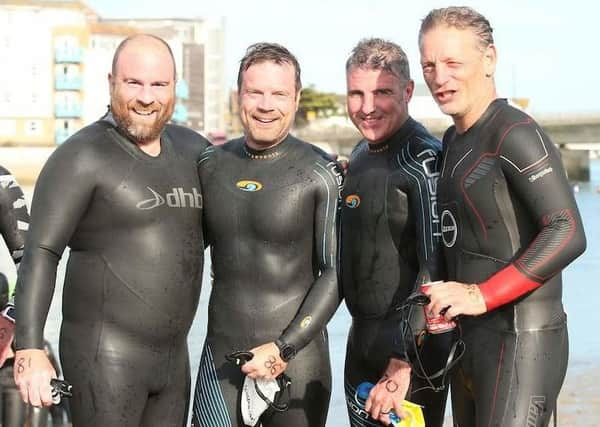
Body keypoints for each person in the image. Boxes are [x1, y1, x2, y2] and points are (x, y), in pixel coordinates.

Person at [14, 34, 209, 427]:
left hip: (174, 362)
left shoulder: (195, 151)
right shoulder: (81, 156)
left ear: (174, 87)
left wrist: (326, 169)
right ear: (111, 82)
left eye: (159, 85)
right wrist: (30, 347)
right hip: (103, 360)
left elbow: (251, 193)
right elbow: (41, 253)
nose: (147, 97)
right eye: (133, 83)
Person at [418, 7, 586, 426]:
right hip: (472, 342)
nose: (440, 77)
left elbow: (567, 231)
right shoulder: (454, 139)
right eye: (429, 65)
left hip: (523, 338)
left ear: (489, 59)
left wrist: (480, 295)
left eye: (453, 63)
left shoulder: (515, 133)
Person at [192, 43, 342, 427]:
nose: (265, 105)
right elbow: (180, 254)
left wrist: (283, 348)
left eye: (278, 94)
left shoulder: (321, 172)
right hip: (222, 360)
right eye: (254, 92)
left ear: (296, 99)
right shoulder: (211, 164)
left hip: (297, 359)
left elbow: (335, 273)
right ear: (238, 95)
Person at [340, 38, 449, 427]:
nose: (367, 107)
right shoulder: (358, 154)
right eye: (357, 93)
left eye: (382, 93)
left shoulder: (424, 161)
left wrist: (403, 361)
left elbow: (435, 266)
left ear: (407, 92)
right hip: (360, 347)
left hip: (411, 359)